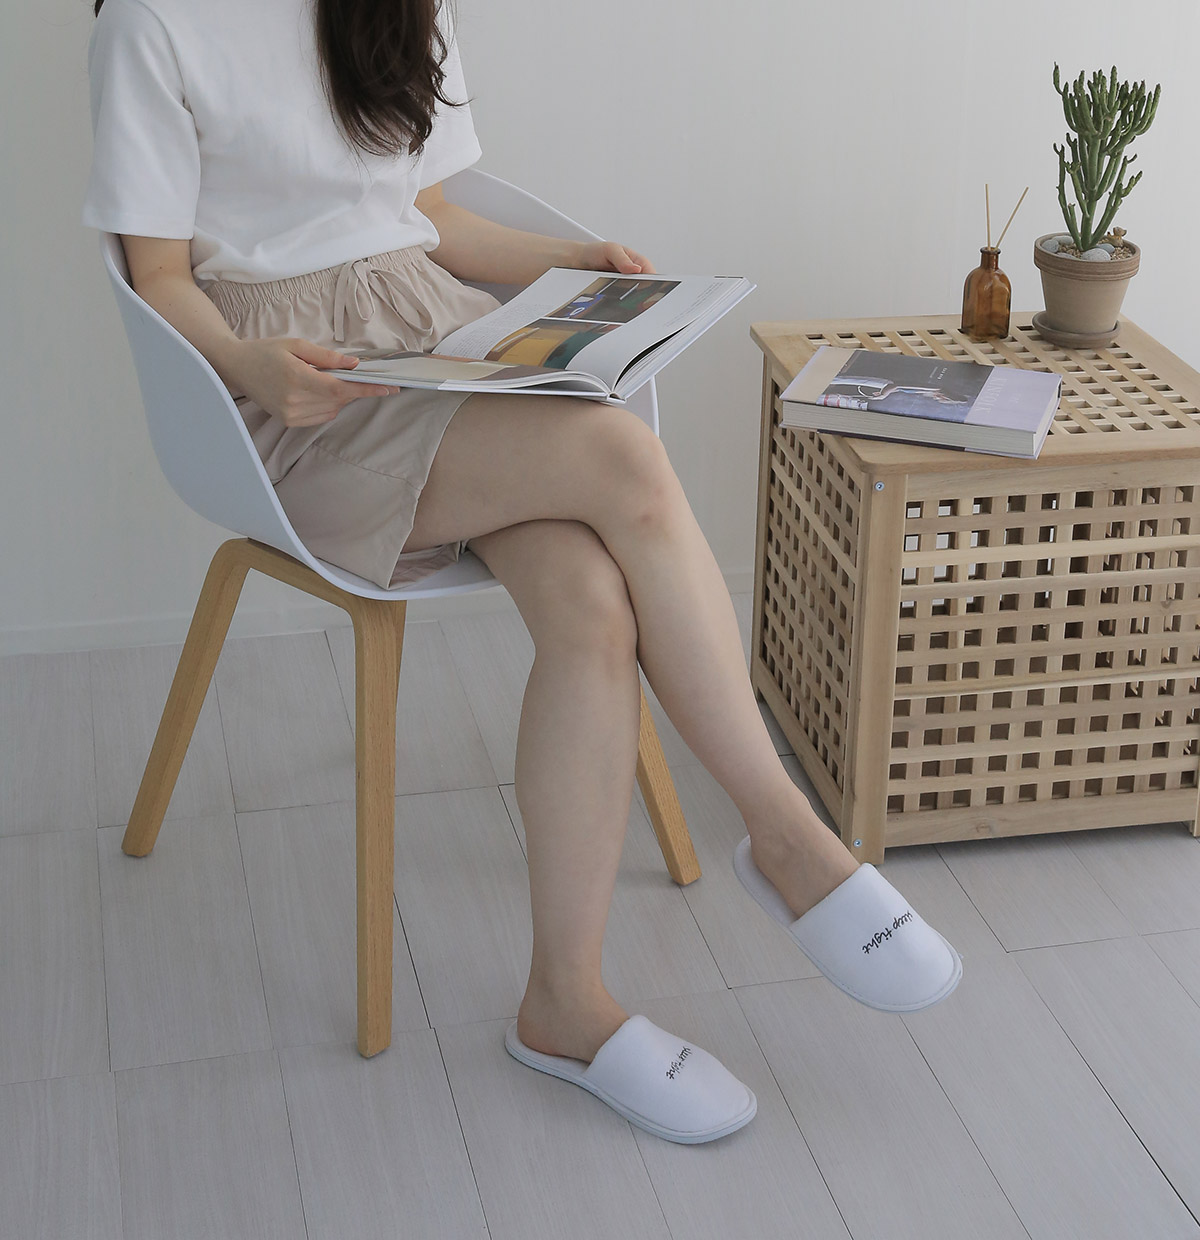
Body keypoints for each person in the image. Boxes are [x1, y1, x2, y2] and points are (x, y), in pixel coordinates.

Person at [82, 0, 959, 1146]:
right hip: (296, 398)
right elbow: (156, 273)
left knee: (593, 602)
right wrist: (250, 362)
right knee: (625, 461)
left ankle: (564, 1003)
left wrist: (573, 263)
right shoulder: (153, 20)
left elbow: (432, 217)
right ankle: (787, 838)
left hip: (435, 340)